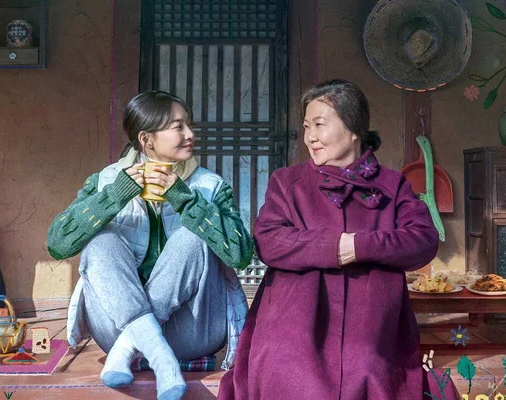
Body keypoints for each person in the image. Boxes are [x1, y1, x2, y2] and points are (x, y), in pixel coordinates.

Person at [217, 79, 460, 400]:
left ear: (353, 128)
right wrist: (333, 248)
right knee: (290, 374)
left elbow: (423, 241)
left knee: (368, 370)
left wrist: (357, 246)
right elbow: (269, 242)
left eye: (319, 125)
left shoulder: (392, 185)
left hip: (369, 322)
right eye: (307, 127)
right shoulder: (287, 182)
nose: (310, 137)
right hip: (295, 318)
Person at [47, 91, 253, 400]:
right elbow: (57, 244)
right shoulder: (107, 181)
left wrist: (184, 199)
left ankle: (130, 348)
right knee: (101, 242)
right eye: (178, 126)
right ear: (146, 139)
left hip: (193, 331)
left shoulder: (210, 186)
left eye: (189, 125)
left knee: (192, 235)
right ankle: (158, 354)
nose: (190, 134)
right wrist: (116, 195)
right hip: (115, 326)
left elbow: (242, 254)